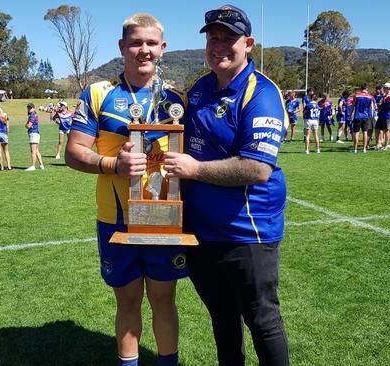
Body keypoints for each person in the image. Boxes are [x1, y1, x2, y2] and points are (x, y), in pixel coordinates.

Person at [163, 5, 289, 365]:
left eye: (229, 38)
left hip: (246, 233)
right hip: (202, 233)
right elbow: (173, 138)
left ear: (247, 43)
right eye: (212, 38)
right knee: (221, 318)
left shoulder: (261, 93)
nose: (219, 46)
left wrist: (194, 169)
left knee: (262, 320)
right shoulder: (200, 89)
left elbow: (257, 168)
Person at [65, 13, 188, 366]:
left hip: (164, 217)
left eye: (151, 43)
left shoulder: (177, 100)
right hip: (116, 219)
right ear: (122, 47)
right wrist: (111, 164)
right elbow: (74, 152)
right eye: (136, 42)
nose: (144, 50)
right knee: (128, 301)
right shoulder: (99, 93)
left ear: (162, 48)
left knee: (164, 300)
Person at [350, 83, 375, 153]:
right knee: (365, 132)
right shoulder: (370, 97)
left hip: (357, 116)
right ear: (366, 89)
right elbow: (370, 107)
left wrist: (350, 114)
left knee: (356, 133)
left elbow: (353, 106)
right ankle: (364, 149)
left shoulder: (356, 96)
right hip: (366, 116)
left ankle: (355, 149)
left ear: (361, 89)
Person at [25, 103, 44, 171]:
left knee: (33, 151)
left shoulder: (32, 116)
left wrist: (26, 125)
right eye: (28, 108)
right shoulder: (32, 115)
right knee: (36, 151)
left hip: (33, 133)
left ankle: (33, 166)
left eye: (30, 108)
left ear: (34, 108)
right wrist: (27, 125)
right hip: (35, 134)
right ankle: (41, 165)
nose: (29, 109)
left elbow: (28, 126)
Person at [375, 82, 390, 150]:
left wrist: (380, 105)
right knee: (377, 129)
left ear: (388, 88)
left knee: (386, 130)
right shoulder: (384, 95)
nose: (383, 89)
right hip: (381, 115)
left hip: (387, 116)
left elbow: (389, 107)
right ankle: (377, 144)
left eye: (384, 87)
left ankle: (385, 146)